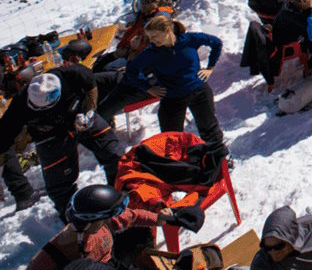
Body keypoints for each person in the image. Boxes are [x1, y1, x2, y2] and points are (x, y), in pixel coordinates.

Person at [0, 66, 120, 218]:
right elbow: (3, 137)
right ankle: (76, 219)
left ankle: (120, 193)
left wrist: (90, 111)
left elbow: (91, 85)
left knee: (114, 154)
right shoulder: (20, 104)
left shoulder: (71, 74)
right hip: (50, 135)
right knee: (59, 188)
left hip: (80, 117)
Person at [27, 184, 191, 270]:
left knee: (141, 234)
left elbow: (133, 216)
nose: (114, 217)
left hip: (112, 262)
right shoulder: (51, 257)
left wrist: (162, 218)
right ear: (94, 222)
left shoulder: (101, 225)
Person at [123, 16, 225, 151]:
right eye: (149, 37)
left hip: (199, 91)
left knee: (209, 128)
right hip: (172, 97)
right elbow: (131, 72)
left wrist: (210, 68)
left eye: (154, 36)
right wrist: (148, 88)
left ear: (168, 31)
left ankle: (219, 157)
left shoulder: (190, 40)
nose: (151, 40)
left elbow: (216, 43)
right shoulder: (151, 53)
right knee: (171, 138)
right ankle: (180, 165)